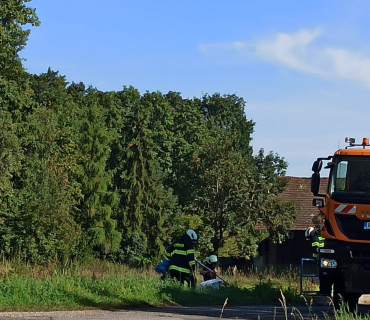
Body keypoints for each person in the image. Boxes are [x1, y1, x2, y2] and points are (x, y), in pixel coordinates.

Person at [305, 227, 332, 295]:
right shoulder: (322, 236)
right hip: (329, 260)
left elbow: (315, 250)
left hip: (321, 260)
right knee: (328, 276)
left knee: (322, 276)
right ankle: (328, 292)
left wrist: (314, 257)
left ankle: (323, 291)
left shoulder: (314, 238)